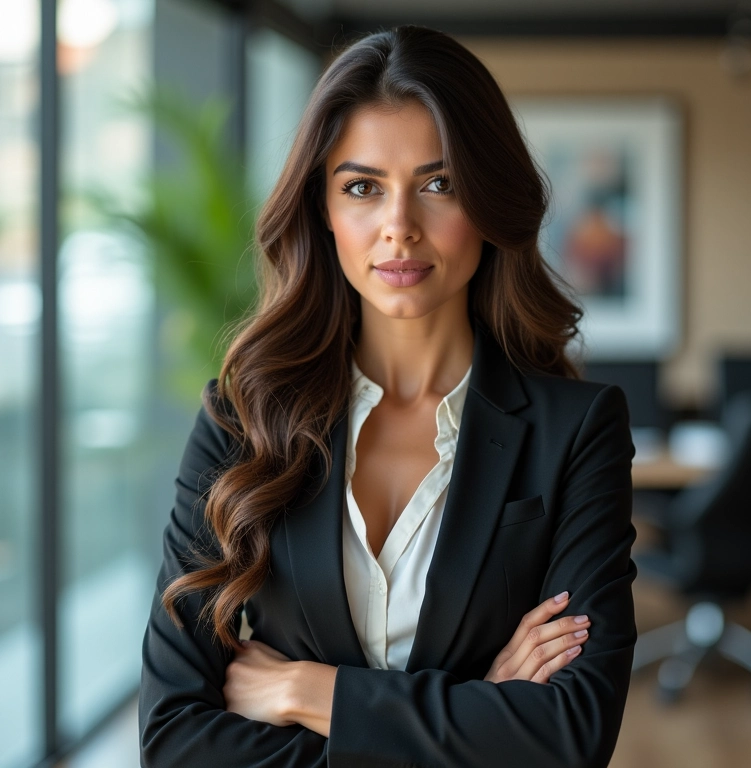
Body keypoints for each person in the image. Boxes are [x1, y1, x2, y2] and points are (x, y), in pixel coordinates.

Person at [139, 24, 637, 768]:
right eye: (362, 187)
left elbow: (571, 735)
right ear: (324, 211)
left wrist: (311, 693)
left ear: (489, 203)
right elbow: (176, 740)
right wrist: (481, 710)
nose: (399, 228)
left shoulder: (576, 431)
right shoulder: (240, 424)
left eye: (440, 185)